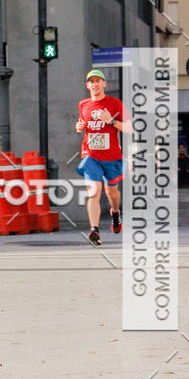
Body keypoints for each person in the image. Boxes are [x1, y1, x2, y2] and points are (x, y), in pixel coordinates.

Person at [75, 68, 133, 246]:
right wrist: (79, 126)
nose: (94, 85)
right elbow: (82, 124)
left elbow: (129, 128)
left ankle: (115, 213)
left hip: (112, 157)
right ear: (87, 85)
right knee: (94, 192)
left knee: (112, 193)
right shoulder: (83, 104)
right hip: (91, 155)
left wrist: (112, 121)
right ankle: (94, 230)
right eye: (91, 82)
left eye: (98, 81)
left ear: (104, 84)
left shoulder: (115, 104)